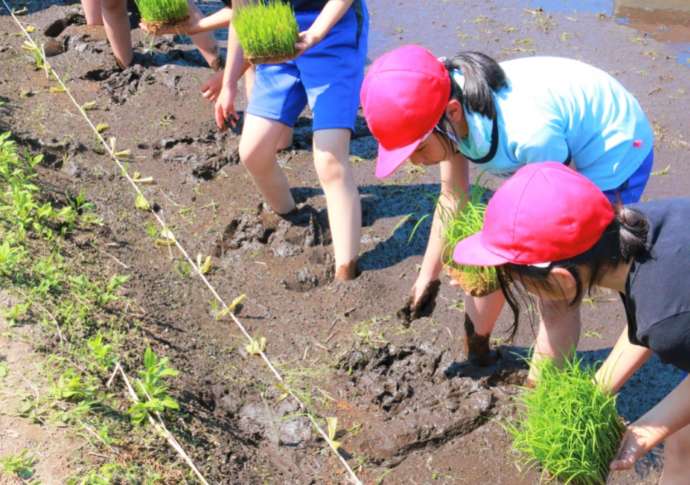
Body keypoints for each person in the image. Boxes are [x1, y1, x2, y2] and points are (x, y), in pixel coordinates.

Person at [360, 45, 654, 376]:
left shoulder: (528, 132)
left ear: (453, 112)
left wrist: (518, 262)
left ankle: (544, 390)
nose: (415, 162)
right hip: (552, 152)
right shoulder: (446, 106)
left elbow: (551, 209)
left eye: (419, 148)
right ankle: (479, 355)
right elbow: (452, 197)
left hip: (612, 150)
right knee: (493, 250)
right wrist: (428, 277)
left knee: (556, 287)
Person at [452, 162, 690, 484]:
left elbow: (661, 320)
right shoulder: (636, 231)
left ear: (561, 282)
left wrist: (645, 432)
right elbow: (643, 324)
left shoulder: (668, 318)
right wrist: (598, 389)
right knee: (683, 437)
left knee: (677, 432)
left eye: (520, 280)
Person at [215, 0, 369, 280]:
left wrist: (316, 34)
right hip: (277, 37)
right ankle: (292, 216)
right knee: (253, 151)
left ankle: (346, 272)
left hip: (333, 33)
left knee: (329, 160)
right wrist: (227, 84)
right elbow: (243, 13)